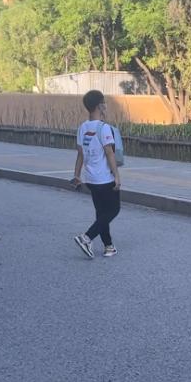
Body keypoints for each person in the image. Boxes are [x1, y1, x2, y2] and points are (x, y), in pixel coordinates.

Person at [71, 90, 121, 259]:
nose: (106, 105)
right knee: (114, 209)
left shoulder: (82, 128)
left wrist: (76, 175)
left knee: (101, 213)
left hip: (91, 179)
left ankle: (108, 246)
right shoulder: (104, 128)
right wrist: (117, 176)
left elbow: (80, 154)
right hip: (105, 178)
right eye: (104, 102)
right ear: (100, 106)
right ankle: (86, 237)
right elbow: (109, 153)